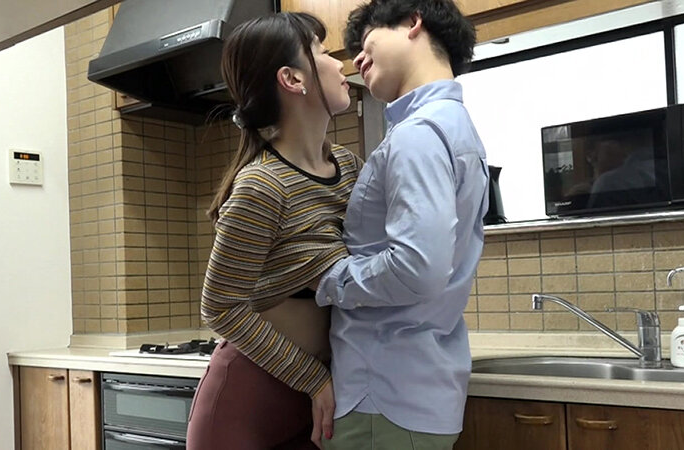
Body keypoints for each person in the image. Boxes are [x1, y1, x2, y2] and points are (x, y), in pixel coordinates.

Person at [311, 1, 488, 448]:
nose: (357, 59)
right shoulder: (453, 127)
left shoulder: (418, 134)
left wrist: (331, 278)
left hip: (383, 393)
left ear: (412, 22)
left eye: (367, 41)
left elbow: (417, 269)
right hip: (413, 392)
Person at [186, 12, 362, 450]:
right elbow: (220, 307)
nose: (338, 62)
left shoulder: (349, 168)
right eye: (322, 51)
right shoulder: (263, 185)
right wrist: (312, 378)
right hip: (247, 404)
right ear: (292, 79)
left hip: (315, 398)